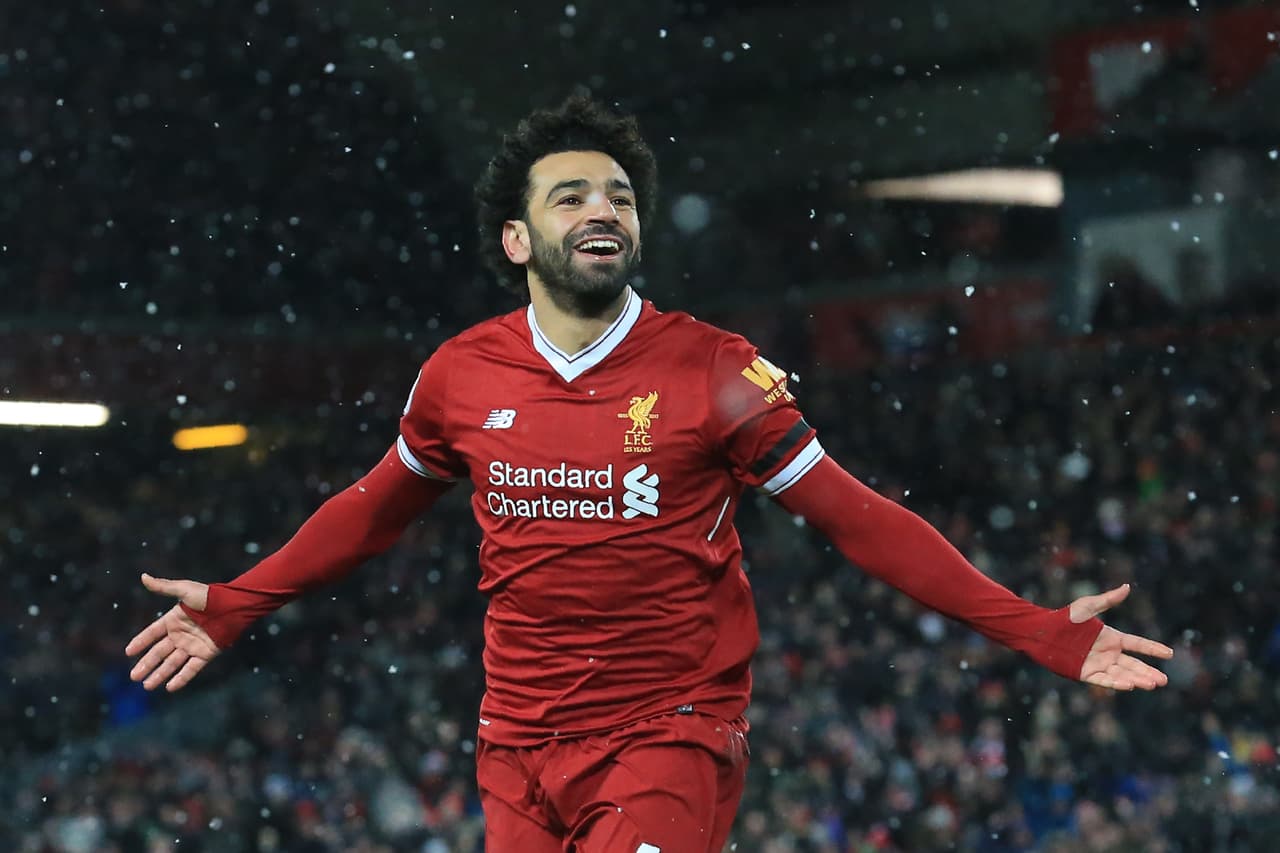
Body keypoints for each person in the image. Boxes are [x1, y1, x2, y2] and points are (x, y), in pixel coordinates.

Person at [126, 94, 1174, 852]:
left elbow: (858, 520)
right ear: (514, 237)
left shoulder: (715, 372)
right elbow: (369, 511)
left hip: (668, 730)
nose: (602, 209)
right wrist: (233, 603)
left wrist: (1035, 626)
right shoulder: (458, 375)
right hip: (517, 744)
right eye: (571, 193)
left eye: (619, 196)